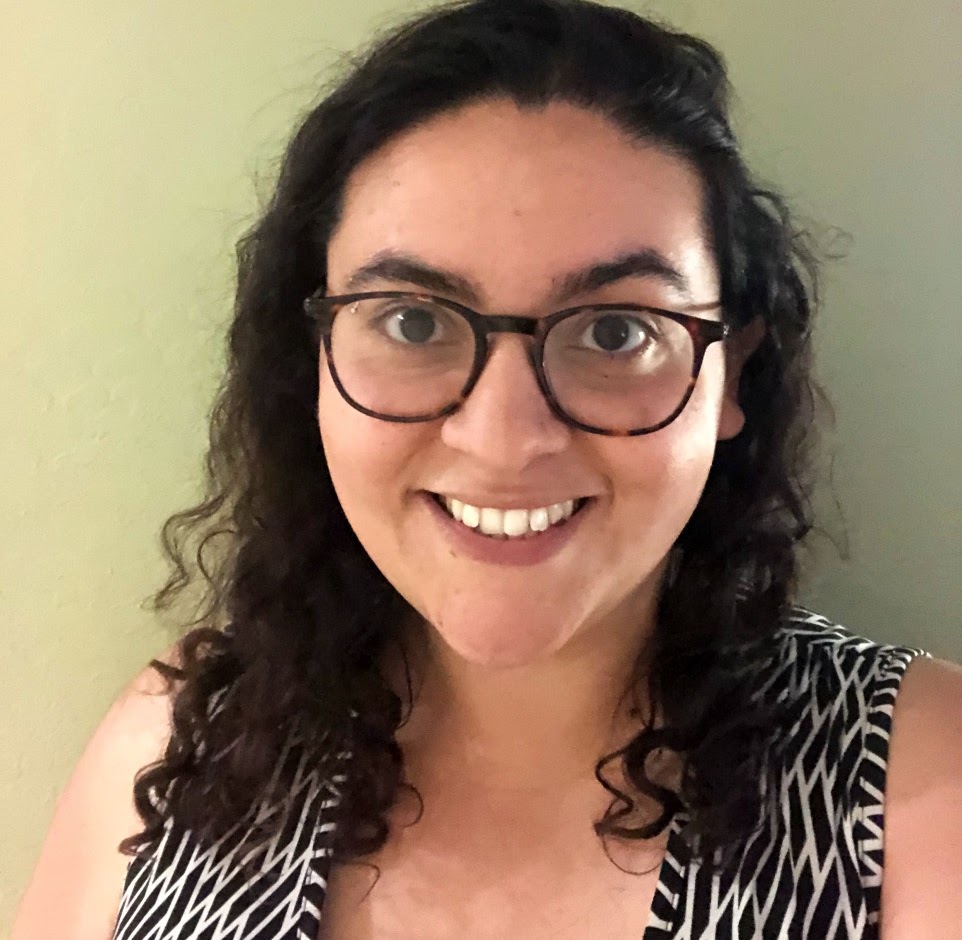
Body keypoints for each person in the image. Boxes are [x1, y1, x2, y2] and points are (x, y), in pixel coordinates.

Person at [13, 1, 962, 937]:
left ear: (731, 377)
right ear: (313, 364)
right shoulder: (180, 740)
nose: (504, 439)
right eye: (413, 321)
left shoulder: (919, 788)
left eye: (617, 331)